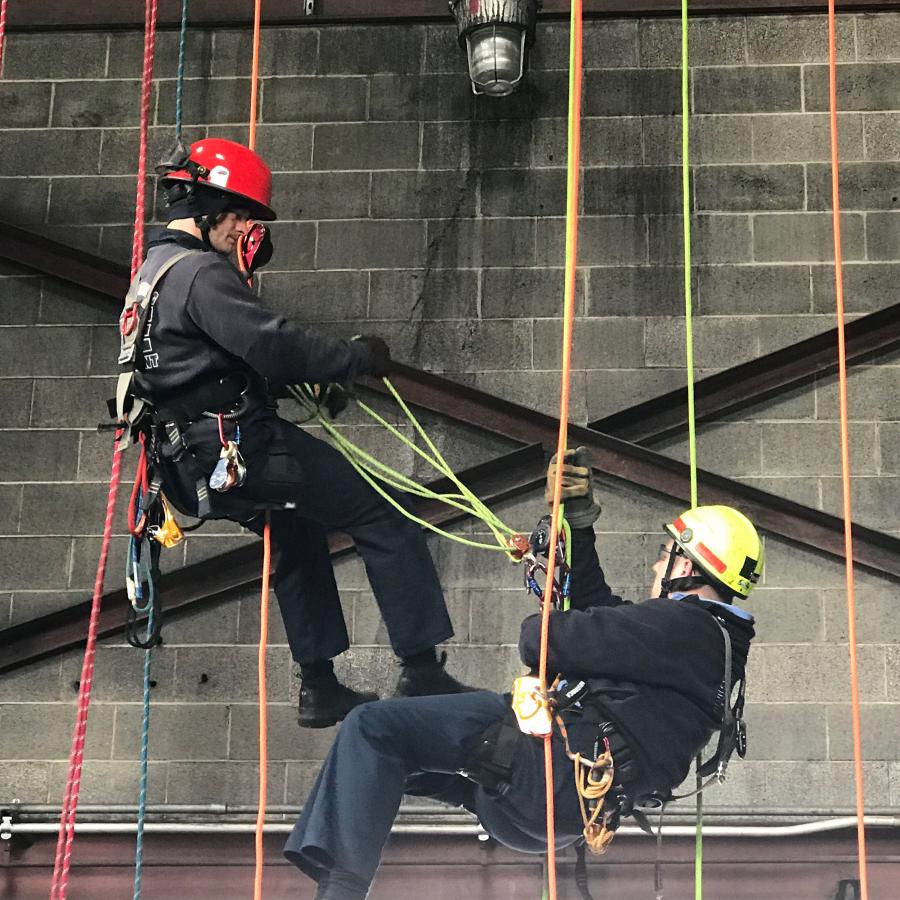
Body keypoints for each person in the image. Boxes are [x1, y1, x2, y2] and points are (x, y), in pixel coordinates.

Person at [283, 449, 763, 899]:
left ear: (691, 564)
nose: (657, 564)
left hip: (545, 772)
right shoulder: (709, 647)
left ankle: (340, 892)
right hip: (554, 815)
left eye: (665, 553)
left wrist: (550, 585)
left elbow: (541, 639)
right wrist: (577, 522)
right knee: (382, 761)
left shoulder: (684, 625)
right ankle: (341, 879)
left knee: (372, 726)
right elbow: (603, 614)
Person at [120, 138, 471, 729]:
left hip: (189, 460)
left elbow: (198, 372)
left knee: (297, 532)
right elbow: (272, 342)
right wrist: (353, 359)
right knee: (381, 512)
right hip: (240, 447)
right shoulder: (200, 272)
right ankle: (420, 668)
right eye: (241, 217)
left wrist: (288, 386)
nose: (243, 232)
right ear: (213, 208)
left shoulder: (150, 278)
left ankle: (319, 685)